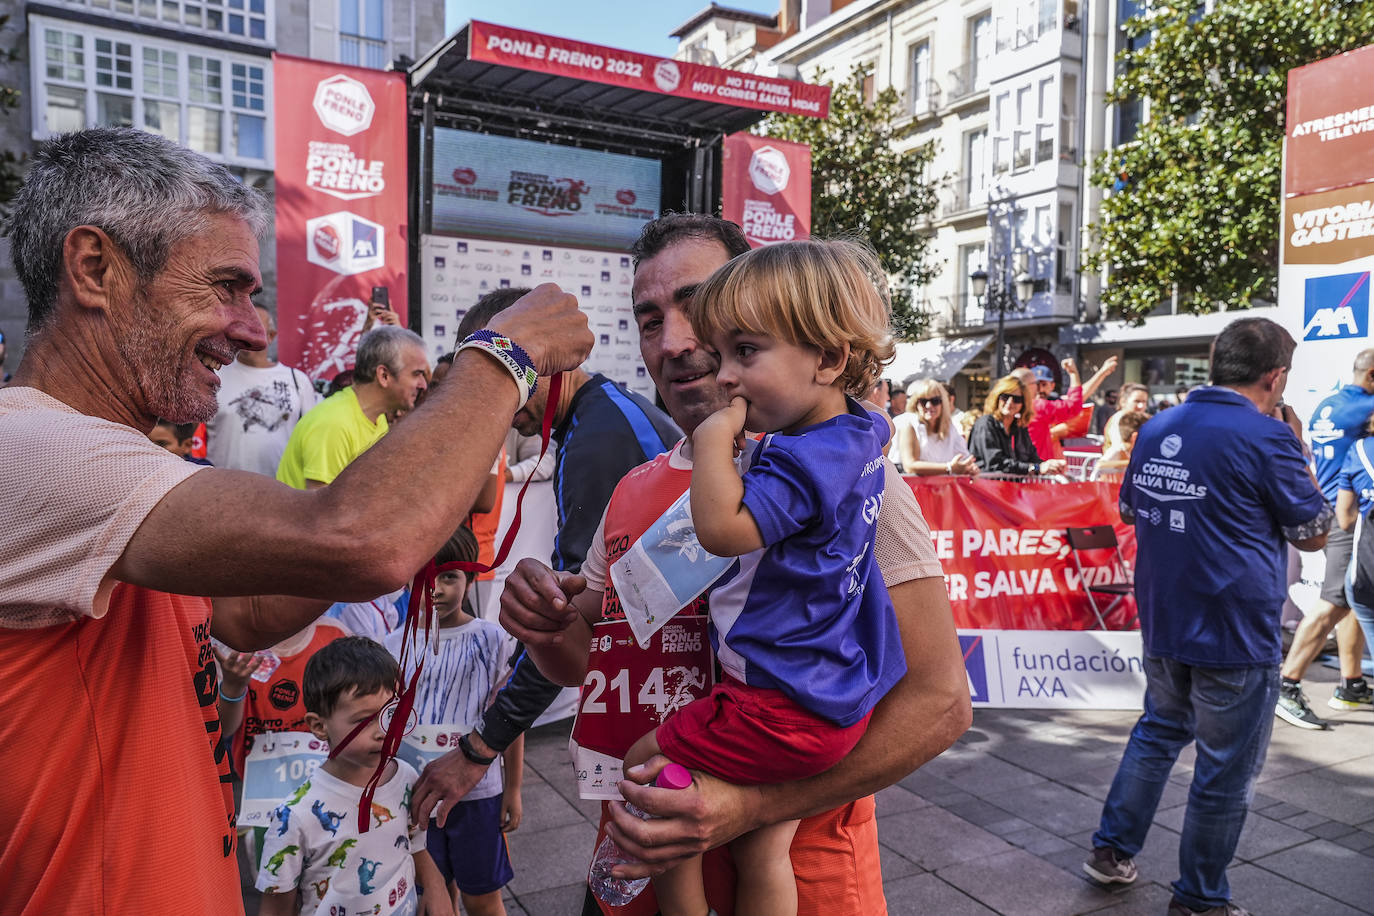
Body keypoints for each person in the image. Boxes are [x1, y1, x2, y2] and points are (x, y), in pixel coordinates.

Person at [0, 127, 591, 913]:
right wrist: (502, 358)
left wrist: (405, 512)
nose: (250, 327)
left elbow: (247, 612)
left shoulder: (110, 458)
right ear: (95, 267)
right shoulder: (32, 445)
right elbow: (353, 541)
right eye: (225, 287)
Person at [476, 214, 971, 915]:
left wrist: (751, 808)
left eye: (701, 308)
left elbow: (941, 705)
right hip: (639, 868)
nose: (676, 341)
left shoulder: (845, 477)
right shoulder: (635, 488)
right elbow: (598, 666)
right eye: (650, 321)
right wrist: (546, 623)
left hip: (806, 881)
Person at [614, 239, 904, 916]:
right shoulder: (862, 431)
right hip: (831, 698)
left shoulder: (797, 462)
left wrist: (717, 439)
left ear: (829, 359)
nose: (726, 377)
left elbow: (721, 531)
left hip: (775, 705)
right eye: (725, 356)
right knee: (764, 847)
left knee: (646, 768)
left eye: (746, 352)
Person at [1082, 317, 1331, 916]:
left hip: (1168, 614)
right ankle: (1198, 897)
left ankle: (1112, 850)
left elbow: (1131, 506)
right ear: (1276, 377)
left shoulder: (1160, 425)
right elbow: (1314, 530)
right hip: (1235, 627)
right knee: (1225, 769)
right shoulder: (1267, 436)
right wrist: (1297, 449)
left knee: (1159, 731)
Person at [412, 284, 682, 794]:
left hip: (662, 701)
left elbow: (566, 614)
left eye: (509, 384)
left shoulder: (597, 439)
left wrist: (481, 747)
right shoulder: (600, 415)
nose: (507, 414)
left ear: (547, 359)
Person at [255, 637, 452, 916]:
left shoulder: (406, 777)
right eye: (363, 720)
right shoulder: (294, 816)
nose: (383, 730)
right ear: (319, 726)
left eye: (391, 714)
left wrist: (435, 883)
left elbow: (413, 843)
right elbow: (275, 909)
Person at [386, 527, 522, 916]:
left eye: (448, 576)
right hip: (414, 795)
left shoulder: (496, 640)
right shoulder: (392, 645)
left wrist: (512, 788)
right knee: (432, 894)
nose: (436, 589)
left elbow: (511, 721)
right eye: (425, 577)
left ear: (471, 579)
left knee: (482, 897)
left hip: (478, 794)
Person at [1275, 351, 1374, 729]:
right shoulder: (1366, 407)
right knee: (1334, 601)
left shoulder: (1328, 405)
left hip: (1334, 512)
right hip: (1349, 520)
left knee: (1352, 598)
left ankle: (1351, 683)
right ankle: (1288, 684)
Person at [276, 325, 429, 489]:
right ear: (384, 375)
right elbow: (323, 509)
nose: (423, 385)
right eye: (417, 374)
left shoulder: (376, 419)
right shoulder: (334, 424)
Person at [206, 302, 320, 475]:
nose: (246, 337)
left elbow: (313, 438)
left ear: (271, 336)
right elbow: (191, 434)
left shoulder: (297, 380)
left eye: (255, 329)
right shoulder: (214, 376)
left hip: (281, 489)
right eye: (240, 328)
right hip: (224, 490)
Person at [968, 376, 1066, 477]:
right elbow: (996, 463)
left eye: (1017, 399)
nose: (1010, 403)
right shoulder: (986, 424)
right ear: (997, 398)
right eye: (1005, 397)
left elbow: (1032, 457)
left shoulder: (1019, 427)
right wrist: (1036, 468)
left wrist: (1050, 465)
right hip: (984, 488)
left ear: (1023, 404)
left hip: (1010, 488)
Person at [1027, 357, 1119, 460]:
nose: (1040, 389)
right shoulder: (1022, 404)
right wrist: (1053, 432)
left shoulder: (1052, 402)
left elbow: (1077, 398)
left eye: (1044, 384)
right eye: (1037, 385)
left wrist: (1102, 372)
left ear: (1052, 386)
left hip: (1050, 459)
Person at [896, 378, 977, 476]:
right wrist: (949, 467)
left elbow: (965, 459)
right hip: (913, 489)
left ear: (943, 404)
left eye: (935, 401)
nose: (929, 405)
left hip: (941, 490)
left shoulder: (949, 427)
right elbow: (910, 466)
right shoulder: (909, 424)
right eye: (923, 401)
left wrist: (970, 468)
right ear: (916, 404)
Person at [1092, 410, 1145, 477]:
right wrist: (1130, 463)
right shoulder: (1119, 449)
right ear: (1134, 437)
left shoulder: (1137, 451)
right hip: (1109, 485)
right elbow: (1100, 465)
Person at [1102, 382, 1151, 452]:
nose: (1141, 406)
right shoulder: (1118, 420)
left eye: (1144, 402)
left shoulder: (1144, 419)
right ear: (1123, 401)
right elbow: (1121, 451)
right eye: (1137, 401)